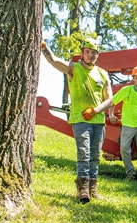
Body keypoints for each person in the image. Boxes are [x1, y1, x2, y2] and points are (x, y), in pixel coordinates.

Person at [41, 38, 113, 203]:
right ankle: (82, 190)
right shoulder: (74, 69)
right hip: (81, 120)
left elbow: (109, 99)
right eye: (87, 52)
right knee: (84, 154)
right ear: (82, 53)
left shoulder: (103, 74)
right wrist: (44, 48)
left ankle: (93, 189)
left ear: (97, 55)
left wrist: (95, 110)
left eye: (93, 52)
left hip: (98, 121)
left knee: (95, 156)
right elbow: (54, 61)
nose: (90, 55)